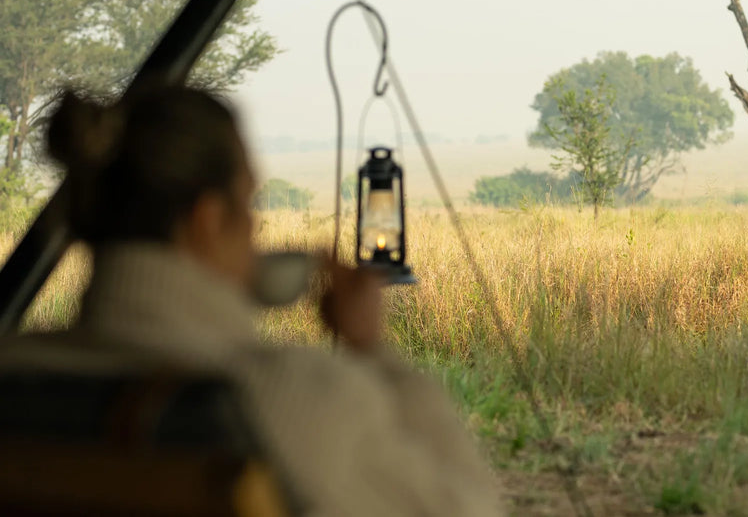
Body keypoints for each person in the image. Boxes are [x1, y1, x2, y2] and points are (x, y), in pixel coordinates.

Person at [1, 87, 502, 516]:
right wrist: (371, 349)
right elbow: (472, 507)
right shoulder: (295, 399)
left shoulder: (15, 370)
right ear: (209, 220)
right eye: (249, 202)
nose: (256, 227)